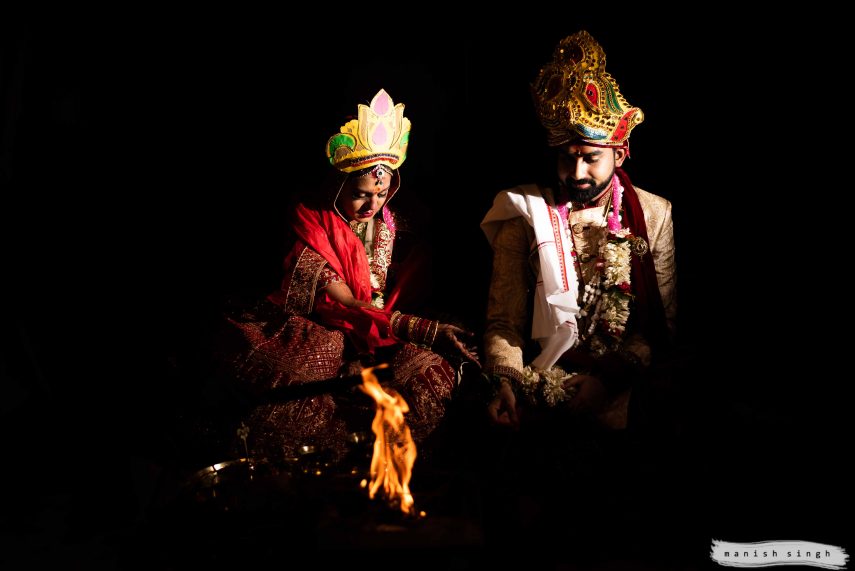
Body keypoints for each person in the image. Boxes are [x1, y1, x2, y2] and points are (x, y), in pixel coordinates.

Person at [216, 88, 478, 464]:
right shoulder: (310, 228)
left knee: (429, 378)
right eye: (360, 194)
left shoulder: (395, 223)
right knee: (318, 361)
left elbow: (402, 288)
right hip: (323, 330)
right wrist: (425, 329)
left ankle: (393, 472)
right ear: (335, 186)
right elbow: (348, 304)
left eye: (382, 193)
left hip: (382, 333)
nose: (373, 205)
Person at [480, 30, 676, 432]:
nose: (578, 173)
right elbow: (504, 323)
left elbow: (660, 324)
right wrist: (506, 381)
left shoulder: (654, 214)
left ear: (619, 153)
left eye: (590, 159)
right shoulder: (524, 212)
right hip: (541, 378)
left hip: (622, 380)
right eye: (567, 160)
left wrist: (606, 382)